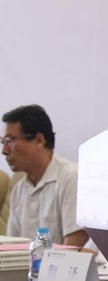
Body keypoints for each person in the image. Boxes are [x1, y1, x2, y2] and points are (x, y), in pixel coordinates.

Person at [2, 104, 89, 247]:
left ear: (39, 141)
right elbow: (11, 249)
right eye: (3, 142)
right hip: (28, 263)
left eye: (10, 141)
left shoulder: (71, 178)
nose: (4, 150)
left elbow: (73, 249)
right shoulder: (19, 190)